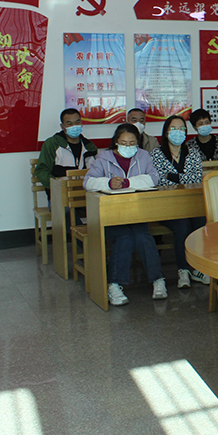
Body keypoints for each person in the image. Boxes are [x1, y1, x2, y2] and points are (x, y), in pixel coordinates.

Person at [84, 123, 166, 306]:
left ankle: (158, 280)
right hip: (110, 215)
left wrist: (128, 182)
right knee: (125, 237)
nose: (128, 147)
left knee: (143, 235)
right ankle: (114, 285)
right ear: (116, 142)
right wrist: (108, 183)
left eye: (132, 143)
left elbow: (154, 178)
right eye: (123, 143)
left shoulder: (144, 156)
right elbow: (88, 182)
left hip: (136, 213)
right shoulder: (103, 158)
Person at [150, 116, 211, 289]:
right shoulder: (156, 154)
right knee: (182, 226)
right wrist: (180, 178)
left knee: (201, 223)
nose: (178, 132)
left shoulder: (193, 152)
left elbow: (196, 178)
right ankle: (183, 270)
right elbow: (159, 180)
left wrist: (172, 176)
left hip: (191, 204)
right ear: (166, 132)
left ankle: (199, 268)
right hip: (167, 206)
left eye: (182, 129)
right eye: (174, 128)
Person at [36, 108, 98, 198]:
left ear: (81, 123)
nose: (74, 126)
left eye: (77, 122)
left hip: (85, 194)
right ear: (62, 126)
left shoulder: (89, 146)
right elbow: (42, 171)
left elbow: (96, 171)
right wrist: (57, 187)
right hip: (60, 195)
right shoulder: (52, 144)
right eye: (69, 123)